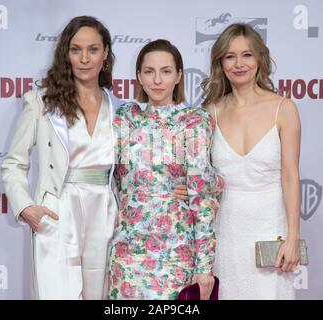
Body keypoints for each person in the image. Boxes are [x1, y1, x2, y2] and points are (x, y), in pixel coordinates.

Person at [1, 16, 124, 299]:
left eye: (93, 49)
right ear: (64, 54)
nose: (84, 58)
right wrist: (26, 207)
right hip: (58, 210)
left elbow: (131, 172)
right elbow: (13, 163)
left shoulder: (118, 107)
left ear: (105, 53)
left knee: (103, 295)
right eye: (75, 49)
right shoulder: (41, 102)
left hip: (105, 214)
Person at [108, 39, 224, 300]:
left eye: (166, 71)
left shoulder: (194, 120)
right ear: (138, 75)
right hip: (127, 253)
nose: (157, 80)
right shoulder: (126, 116)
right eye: (149, 71)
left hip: (176, 252)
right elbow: (108, 178)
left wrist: (204, 266)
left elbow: (202, 198)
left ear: (179, 75)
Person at [202, 23, 301, 299]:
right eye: (230, 56)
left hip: (271, 226)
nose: (238, 63)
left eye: (247, 55)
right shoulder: (210, 113)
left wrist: (292, 237)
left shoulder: (284, 109)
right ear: (220, 63)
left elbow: (291, 176)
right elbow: (202, 175)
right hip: (225, 229)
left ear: (259, 58)